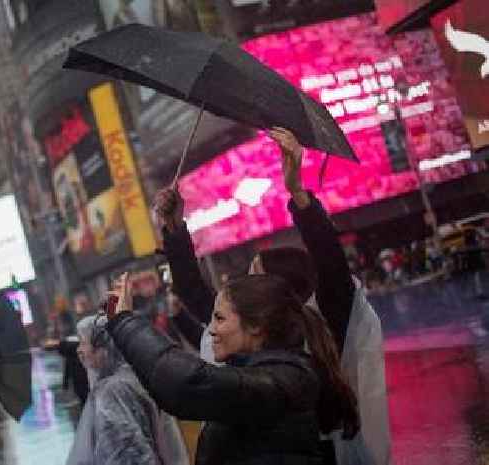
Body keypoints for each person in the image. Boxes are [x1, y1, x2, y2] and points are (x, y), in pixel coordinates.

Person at [154, 127, 391, 465]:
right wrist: (174, 227)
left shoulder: (322, 329)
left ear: (281, 290)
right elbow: (193, 291)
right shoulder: (245, 327)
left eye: (255, 274)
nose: (243, 287)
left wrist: (297, 192)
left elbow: (330, 262)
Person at [106, 272, 359, 465]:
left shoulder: (285, 380)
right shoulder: (269, 372)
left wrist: (125, 323)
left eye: (220, 318)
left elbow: (185, 386)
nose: (211, 330)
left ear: (257, 326)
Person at [66, 314, 189, 465]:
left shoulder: (113, 391)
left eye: (83, 343)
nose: (79, 350)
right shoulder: (135, 376)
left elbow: (127, 452)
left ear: (103, 348)